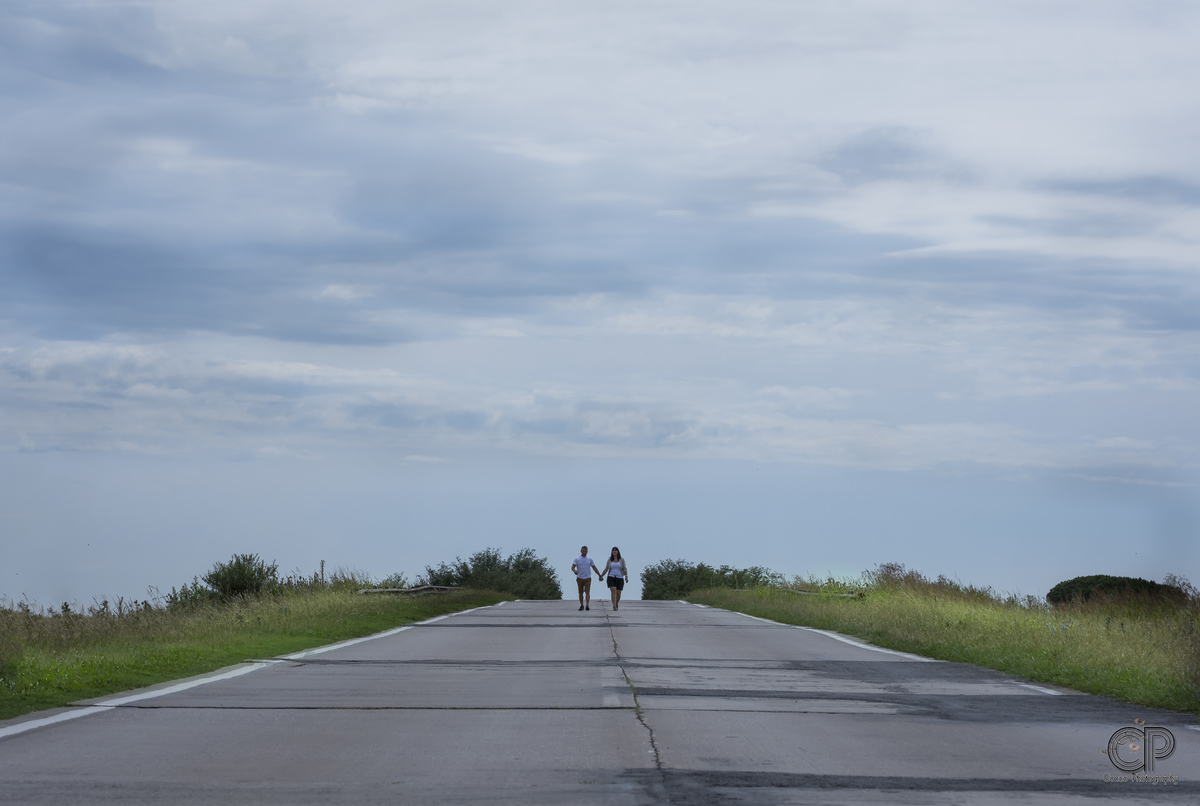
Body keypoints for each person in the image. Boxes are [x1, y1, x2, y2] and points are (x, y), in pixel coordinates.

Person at [571, 546, 603, 611]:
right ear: (581, 551)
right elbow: (572, 567)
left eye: (585, 551)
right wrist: (574, 571)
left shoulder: (589, 559)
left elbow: (594, 567)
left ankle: (587, 605)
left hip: (587, 577)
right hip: (580, 578)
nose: (584, 552)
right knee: (580, 592)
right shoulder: (577, 559)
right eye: (583, 551)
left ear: (587, 551)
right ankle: (581, 605)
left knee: (587, 592)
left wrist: (599, 575)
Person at [600, 546, 628, 611]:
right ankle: (614, 606)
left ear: (618, 552)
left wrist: (626, 576)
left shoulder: (621, 560)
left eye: (615, 550)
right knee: (613, 590)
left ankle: (616, 603)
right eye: (613, 550)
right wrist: (601, 575)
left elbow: (624, 568)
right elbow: (606, 569)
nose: (614, 551)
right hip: (611, 577)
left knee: (618, 593)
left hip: (620, 578)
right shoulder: (610, 560)